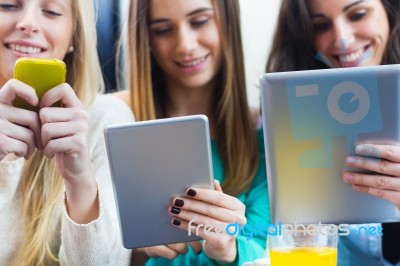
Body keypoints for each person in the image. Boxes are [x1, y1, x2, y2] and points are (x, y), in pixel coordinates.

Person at [114, 0, 270, 265]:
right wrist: (131, 248)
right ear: (146, 39)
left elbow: (266, 246)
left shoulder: (263, 130)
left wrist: (228, 249)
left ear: (227, 21)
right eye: (163, 30)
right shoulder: (114, 118)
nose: (185, 45)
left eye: (199, 21)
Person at [0, 0, 134, 265]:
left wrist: (80, 180)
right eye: (7, 5)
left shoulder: (107, 120)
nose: (28, 22)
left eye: (51, 11)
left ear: (75, 35)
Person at [267, 0, 400, 265]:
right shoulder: (281, 127)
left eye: (358, 14)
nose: (342, 39)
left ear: (390, 12)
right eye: (321, 25)